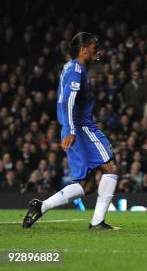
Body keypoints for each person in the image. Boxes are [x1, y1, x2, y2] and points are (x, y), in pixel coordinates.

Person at [22, 32, 121, 230]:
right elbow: (68, 101)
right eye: (95, 46)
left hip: (75, 128)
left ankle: (41, 207)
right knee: (112, 168)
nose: (98, 50)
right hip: (81, 128)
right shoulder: (76, 70)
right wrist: (71, 130)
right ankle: (97, 222)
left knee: (88, 185)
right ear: (83, 49)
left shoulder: (71, 67)